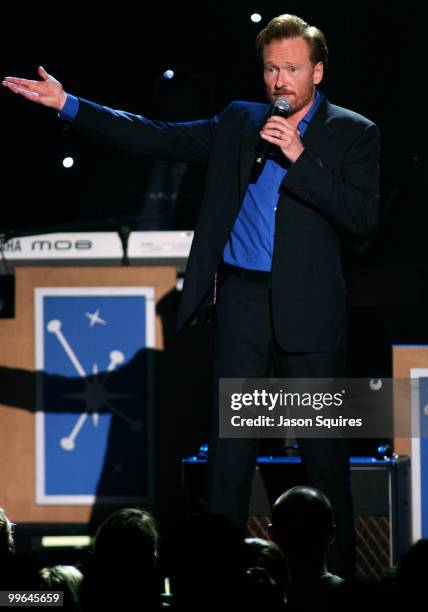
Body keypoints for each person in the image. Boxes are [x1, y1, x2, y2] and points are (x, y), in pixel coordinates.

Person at [3, 14, 380, 576]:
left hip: (310, 320)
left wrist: (302, 157)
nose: (280, 81)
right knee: (229, 466)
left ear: (318, 72)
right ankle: (216, 585)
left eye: (293, 69)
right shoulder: (239, 122)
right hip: (244, 311)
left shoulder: (354, 132)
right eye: (272, 68)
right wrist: (69, 105)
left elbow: (362, 221)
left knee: (323, 465)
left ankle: (339, 585)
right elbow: (155, 134)